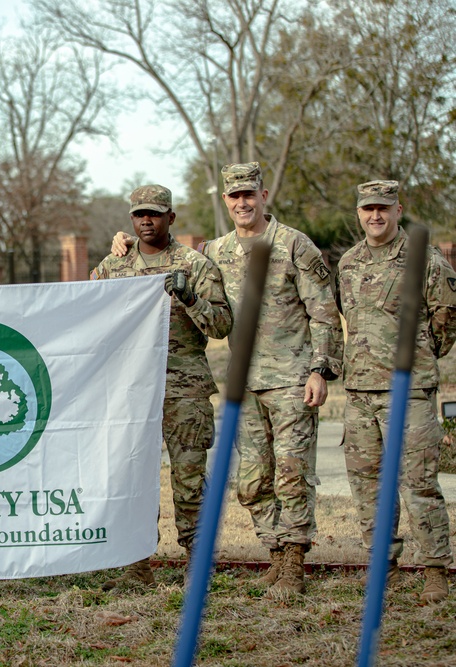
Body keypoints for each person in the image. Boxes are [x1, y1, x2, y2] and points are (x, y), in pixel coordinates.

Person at [111, 162, 343, 596]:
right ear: (225, 200)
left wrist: (320, 368)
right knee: (252, 481)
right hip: (244, 383)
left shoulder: (294, 245)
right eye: (234, 196)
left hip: (291, 378)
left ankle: (292, 562)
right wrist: (120, 244)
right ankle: (276, 553)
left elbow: (324, 311)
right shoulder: (215, 252)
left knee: (291, 473)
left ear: (263, 194)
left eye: (249, 194)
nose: (242, 202)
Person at [91, 185, 231, 589]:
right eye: (139, 215)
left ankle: (199, 565)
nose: (146, 221)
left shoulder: (194, 265)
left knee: (189, 482)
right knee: (134, 480)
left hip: (184, 390)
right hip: (132, 392)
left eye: (154, 213)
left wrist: (190, 298)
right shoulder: (115, 265)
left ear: (172, 218)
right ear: (131, 220)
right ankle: (136, 567)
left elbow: (221, 326)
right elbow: (84, 310)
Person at [335, 180, 455, 603]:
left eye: (383, 208)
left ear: (398, 209)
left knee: (418, 483)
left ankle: (435, 569)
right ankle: (383, 564)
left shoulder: (425, 260)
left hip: (409, 392)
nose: (375, 216)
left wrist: (419, 357)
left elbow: (446, 318)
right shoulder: (348, 262)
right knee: (367, 485)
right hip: (359, 392)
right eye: (368, 208)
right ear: (359, 213)